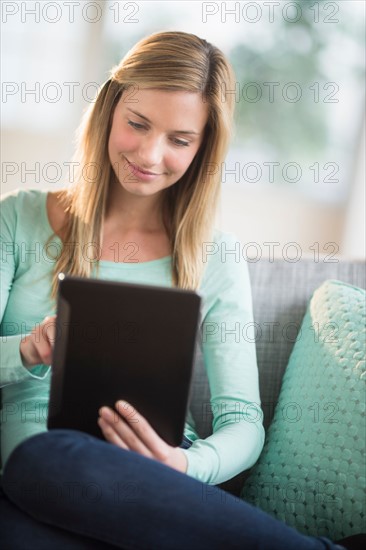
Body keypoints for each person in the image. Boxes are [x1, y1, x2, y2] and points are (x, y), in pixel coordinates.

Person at [0, 31, 347, 549]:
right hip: (34, 462)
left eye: (179, 140)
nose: (149, 153)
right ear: (109, 111)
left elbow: (243, 423)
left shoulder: (215, 254)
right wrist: (29, 349)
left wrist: (184, 463)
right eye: (137, 124)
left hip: (155, 473)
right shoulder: (18, 218)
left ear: (204, 147)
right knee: (44, 467)